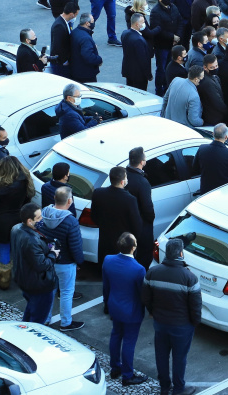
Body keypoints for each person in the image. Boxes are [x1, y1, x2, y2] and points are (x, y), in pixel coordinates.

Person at [142, 238, 202, 395]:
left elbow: (146, 298)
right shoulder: (190, 277)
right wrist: (195, 323)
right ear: (181, 253)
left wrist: (154, 312)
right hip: (182, 326)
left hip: (160, 323)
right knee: (179, 358)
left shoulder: (152, 273)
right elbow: (195, 306)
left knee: (161, 356)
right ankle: (179, 389)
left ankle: (164, 387)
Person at [103, 232, 148, 386]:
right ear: (133, 248)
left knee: (115, 335)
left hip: (114, 306)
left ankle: (115, 368)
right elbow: (143, 293)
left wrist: (107, 304)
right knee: (129, 341)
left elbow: (106, 286)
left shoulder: (108, 260)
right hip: (132, 311)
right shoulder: (138, 269)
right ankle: (127, 375)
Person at [39, 186, 85, 331]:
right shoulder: (70, 221)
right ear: (70, 200)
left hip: (49, 259)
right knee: (66, 292)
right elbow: (75, 246)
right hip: (65, 262)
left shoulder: (44, 213)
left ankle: (45, 318)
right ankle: (66, 322)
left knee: (50, 290)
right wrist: (79, 261)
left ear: (54, 198)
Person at [11, 203, 59, 324]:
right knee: (37, 321)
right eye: (38, 218)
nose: (41, 220)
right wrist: (53, 254)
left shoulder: (16, 228)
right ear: (29, 220)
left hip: (25, 280)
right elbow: (41, 265)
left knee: (30, 311)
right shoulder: (31, 240)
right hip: (39, 285)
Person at [93, 166, 143, 265]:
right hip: (123, 245)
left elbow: (94, 217)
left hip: (104, 243)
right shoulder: (130, 200)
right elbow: (137, 226)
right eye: (126, 178)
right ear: (122, 181)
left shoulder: (98, 193)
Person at [124, 148, 156, 270]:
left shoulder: (124, 175)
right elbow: (148, 209)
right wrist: (150, 219)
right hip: (141, 226)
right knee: (143, 256)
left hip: (126, 224)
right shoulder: (142, 182)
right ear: (142, 162)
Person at [152, 0, 186, 95]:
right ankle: (159, 90)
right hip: (162, 45)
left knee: (170, 68)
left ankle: (168, 88)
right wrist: (173, 37)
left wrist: (178, 36)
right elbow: (158, 30)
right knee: (161, 69)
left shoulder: (173, 7)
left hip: (173, 45)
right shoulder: (155, 12)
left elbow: (180, 21)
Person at [121, 14, 153, 90]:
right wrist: (149, 75)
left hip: (129, 71)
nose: (144, 23)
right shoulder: (139, 40)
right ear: (137, 24)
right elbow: (143, 60)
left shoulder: (125, 33)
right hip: (139, 76)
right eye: (142, 22)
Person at [69, 12, 102, 83]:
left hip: (75, 70)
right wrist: (99, 60)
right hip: (86, 74)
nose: (94, 23)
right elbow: (88, 56)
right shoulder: (85, 38)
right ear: (87, 23)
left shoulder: (75, 32)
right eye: (92, 21)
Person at [49, 1, 79, 77]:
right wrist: (64, 61)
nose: (76, 17)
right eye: (76, 14)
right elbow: (58, 46)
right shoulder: (59, 26)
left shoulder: (63, 22)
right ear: (72, 14)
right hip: (60, 63)